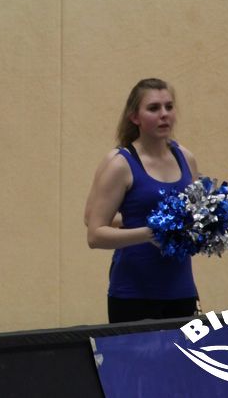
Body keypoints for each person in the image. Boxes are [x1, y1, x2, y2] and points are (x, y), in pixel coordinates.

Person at [85, 78, 199, 324]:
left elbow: (196, 217)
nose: (164, 114)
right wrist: (150, 232)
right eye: (154, 108)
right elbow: (94, 234)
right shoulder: (121, 164)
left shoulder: (186, 157)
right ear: (134, 117)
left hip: (181, 289)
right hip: (134, 293)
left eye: (169, 107)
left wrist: (209, 227)